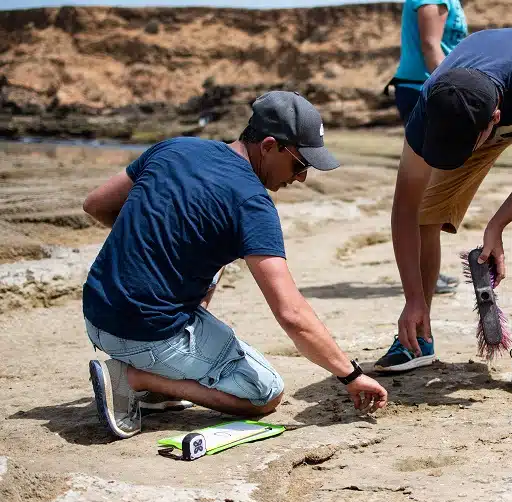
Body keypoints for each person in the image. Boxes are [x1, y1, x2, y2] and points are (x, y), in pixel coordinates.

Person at [82, 91, 389, 439]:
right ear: (269, 146)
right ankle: (135, 377)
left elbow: (95, 205)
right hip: (142, 331)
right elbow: (291, 313)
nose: (302, 178)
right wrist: (350, 375)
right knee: (264, 394)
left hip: (96, 311)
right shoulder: (252, 204)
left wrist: (149, 242)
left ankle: (160, 384)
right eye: (301, 164)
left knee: (216, 257)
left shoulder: (176, 147)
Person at [374, 28, 512, 402]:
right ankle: (419, 336)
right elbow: (404, 209)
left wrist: (496, 226)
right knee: (427, 211)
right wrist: (412, 298)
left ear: (494, 121)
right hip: (478, 104)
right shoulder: (432, 106)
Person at [386, 0, 468, 295]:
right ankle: (424, 277)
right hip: (425, 89)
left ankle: (427, 272)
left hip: (428, 87)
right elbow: (431, 45)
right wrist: (454, 94)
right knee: (427, 191)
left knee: (430, 190)